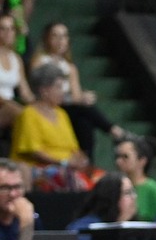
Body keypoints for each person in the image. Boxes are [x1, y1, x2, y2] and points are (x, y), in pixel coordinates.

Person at [30, 22, 136, 160]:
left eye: (63, 36)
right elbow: (39, 89)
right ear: (47, 39)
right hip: (49, 105)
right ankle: (115, 131)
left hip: (71, 108)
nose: (60, 40)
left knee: (85, 122)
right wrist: (79, 99)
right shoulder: (40, 61)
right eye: (55, 36)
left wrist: (83, 97)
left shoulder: (70, 67)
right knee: (84, 109)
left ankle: (88, 162)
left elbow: (76, 95)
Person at [11, 63, 95, 191]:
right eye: (59, 87)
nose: (63, 92)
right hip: (39, 167)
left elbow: (74, 148)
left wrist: (82, 160)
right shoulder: (29, 114)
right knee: (70, 178)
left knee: (99, 178)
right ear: (44, 91)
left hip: (67, 166)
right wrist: (64, 163)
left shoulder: (62, 114)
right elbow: (34, 152)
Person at [65, 171, 137, 240]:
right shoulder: (86, 228)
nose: (134, 197)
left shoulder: (136, 227)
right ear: (112, 197)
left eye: (133, 191)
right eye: (127, 193)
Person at [114, 136, 156, 221]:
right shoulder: (115, 187)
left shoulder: (152, 188)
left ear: (142, 161)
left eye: (125, 157)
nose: (118, 161)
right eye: (117, 157)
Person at [0, 157, 34, 240]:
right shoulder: (27, 216)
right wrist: (27, 221)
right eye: (5, 188)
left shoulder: (30, 216)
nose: (13, 194)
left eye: (17, 187)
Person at [0, 12, 31, 133]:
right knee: (21, 113)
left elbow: (25, 92)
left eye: (11, 28)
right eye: (3, 28)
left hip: (12, 104)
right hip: (3, 105)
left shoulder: (16, 58)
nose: (8, 32)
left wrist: (39, 105)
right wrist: (10, 103)